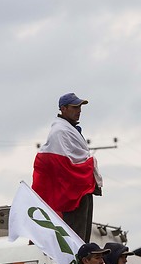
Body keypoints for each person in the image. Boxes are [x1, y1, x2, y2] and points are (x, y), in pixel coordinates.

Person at [32, 93, 103, 242]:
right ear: (63, 108)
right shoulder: (60, 131)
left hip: (81, 188)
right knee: (76, 236)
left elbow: (74, 158)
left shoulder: (69, 129)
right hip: (72, 191)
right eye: (75, 107)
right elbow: (62, 165)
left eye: (80, 107)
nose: (79, 110)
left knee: (83, 236)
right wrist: (88, 165)